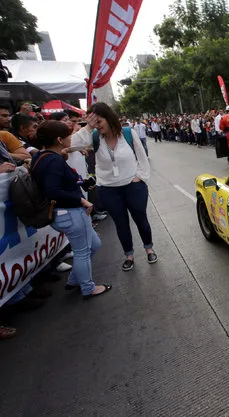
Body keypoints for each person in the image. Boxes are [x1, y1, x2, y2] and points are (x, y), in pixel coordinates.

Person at [30, 121, 111, 299]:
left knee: (94, 245)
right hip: (70, 213)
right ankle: (88, 288)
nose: (71, 138)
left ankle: (74, 279)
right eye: (68, 135)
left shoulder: (43, 156)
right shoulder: (52, 161)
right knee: (82, 251)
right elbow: (53, 191)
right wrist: (81, 200)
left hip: (69, 212)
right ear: (59, 139)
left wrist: (80, 182)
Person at [71, 102, 156, 271]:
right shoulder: (94, 136)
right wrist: (88, 127)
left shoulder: (128, 133)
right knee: (121, 223)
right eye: (94, 123)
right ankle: (129, 255)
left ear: (109, 119)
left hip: (134, 187)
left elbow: (142, 158)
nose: (97, 126)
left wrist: (140, 177)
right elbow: (73, 145)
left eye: (99, 121)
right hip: (108, 189)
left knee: (141, 219)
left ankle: (149, 248)